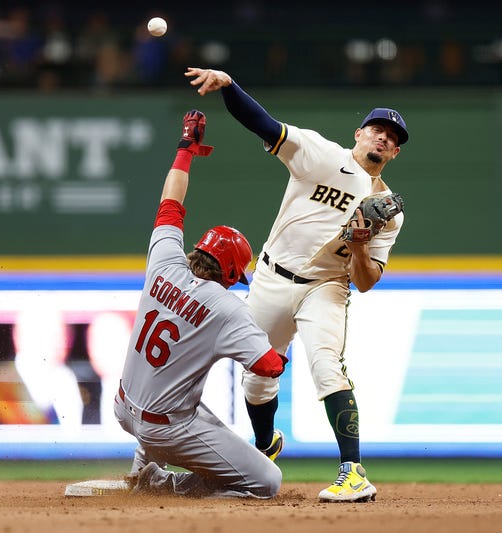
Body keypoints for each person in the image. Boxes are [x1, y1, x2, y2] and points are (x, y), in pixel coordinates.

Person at [185, 67, 409, 502]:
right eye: (378, 129)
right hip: (271, 277)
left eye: (393, 137)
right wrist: (231, 87)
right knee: (256, 375)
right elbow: (264, 125)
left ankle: (353, 472)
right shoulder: (323, 155)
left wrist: (361, 246)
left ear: (395, 153)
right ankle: (265, 445)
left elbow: (366, 282)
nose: (384, 138)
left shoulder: (389, 212)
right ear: (359, 134)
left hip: (325, 287)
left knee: (327, 367)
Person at [114, 109, 288, 498]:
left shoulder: (164, 260)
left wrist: (185, 149)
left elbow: (170, 202)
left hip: (124, 409)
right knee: (266, 482)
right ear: (230, 275)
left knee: (188, 400)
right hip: (167, 429)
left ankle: (143, 464)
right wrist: (281, 346)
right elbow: (267, 366)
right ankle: (169, 486)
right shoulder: (226, 308)